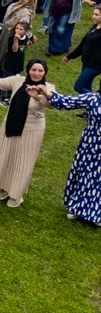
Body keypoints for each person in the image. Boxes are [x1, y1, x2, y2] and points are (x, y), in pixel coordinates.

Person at [0, 59, 53, 208]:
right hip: (11, 124)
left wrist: (38, 96)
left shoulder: (48, 88)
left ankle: (16, 194)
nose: (37, 73)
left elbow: (50, 104)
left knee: (23, 161)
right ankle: (4, 187)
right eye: (34, 69)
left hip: (32, 130)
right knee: (6, 155)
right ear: (28, 70)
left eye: (40, 71)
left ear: (45, 72)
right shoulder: (17, 80)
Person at [37, 88, 101, 225]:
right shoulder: (92, 98)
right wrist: (48, 93)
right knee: (85, 173)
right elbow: (68, 101)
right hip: (91, 144)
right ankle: (76, 207)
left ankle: (96, 212)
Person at [65, 8, 101, 93]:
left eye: (97, 15)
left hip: (95, 66)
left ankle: (97, 101)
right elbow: (83, 44)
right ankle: (91, 105)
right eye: (93, 14)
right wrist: (70, 56)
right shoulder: (95, 27)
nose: (93, 16)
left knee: (78, 86)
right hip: (86, 62)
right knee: (87, 87)